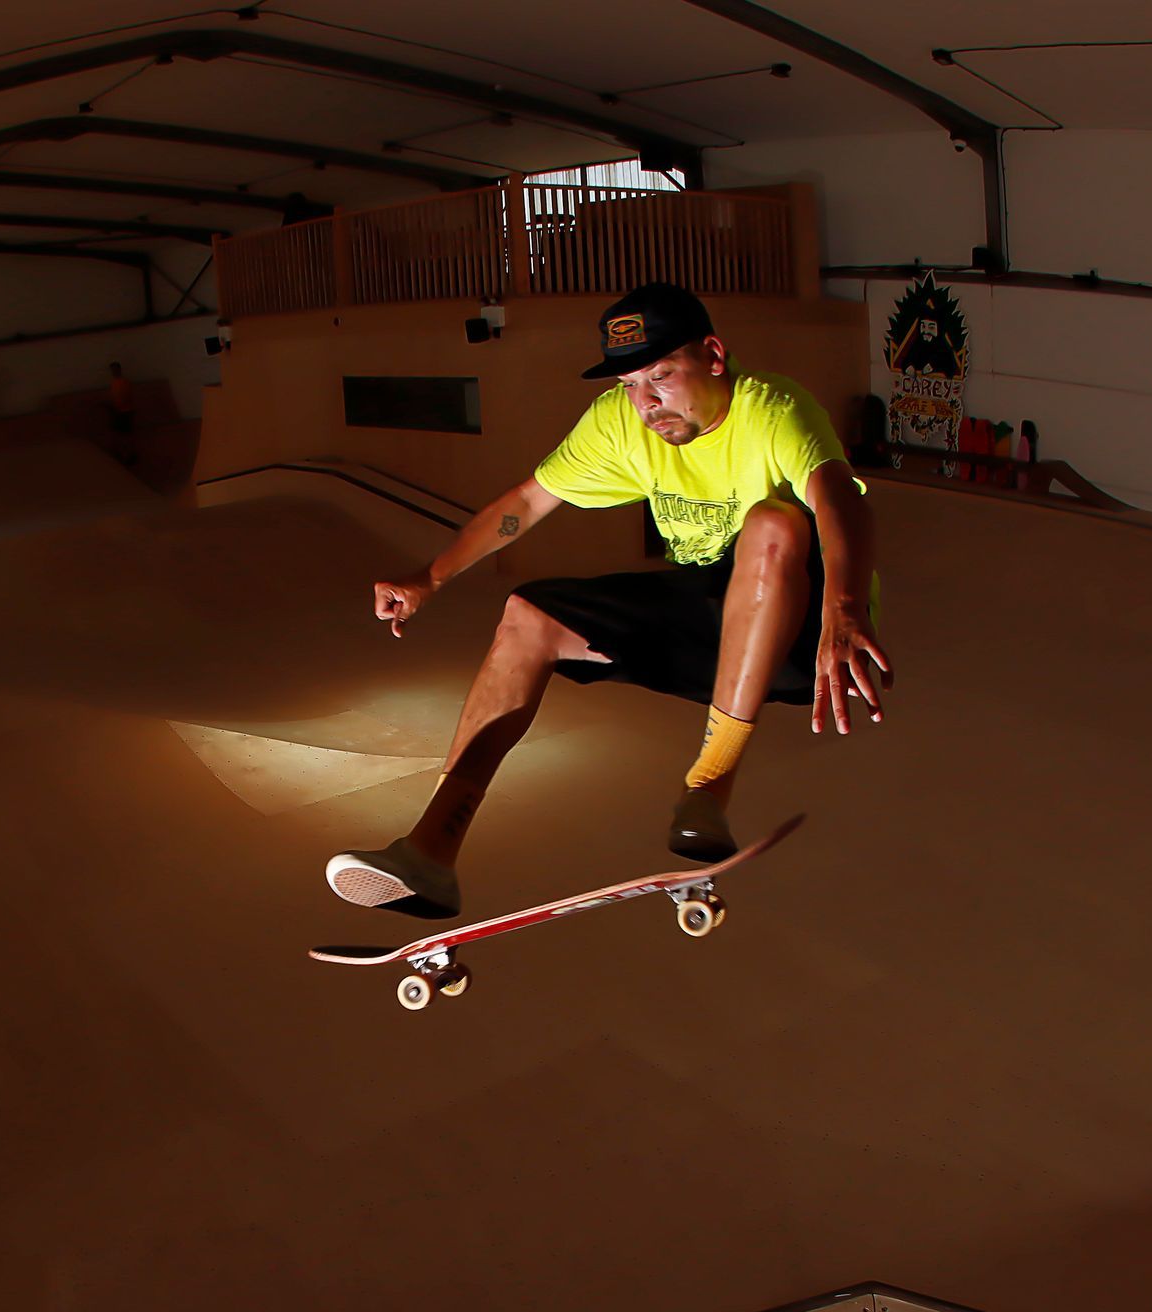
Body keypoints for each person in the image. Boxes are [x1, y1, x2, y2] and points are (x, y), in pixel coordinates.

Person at [324, 281, 891, 919]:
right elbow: (528, 503)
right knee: (527, 615)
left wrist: (845, 605)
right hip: (707, 624)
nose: (647, 403)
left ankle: (708, 786)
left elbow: (838, 496)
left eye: (662, 376)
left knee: (775, 524)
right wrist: (431, 577)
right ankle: (430, 851)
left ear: (713, 354)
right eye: (629, 384)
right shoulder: (621, 421)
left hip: (800, 632)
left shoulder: (773, 409)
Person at [106, 361, 136, 464]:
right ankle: (124, 454)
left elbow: (127, 398)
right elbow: (114, 397)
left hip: (124, 413)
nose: (113, 372)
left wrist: (117, 407)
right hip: (118, 412)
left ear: (119, 370)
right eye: (112, 370)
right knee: (119, 434)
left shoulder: (125, 383)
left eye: (115, 369)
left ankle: (128, 455)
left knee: (125, 435)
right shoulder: (114, 383)